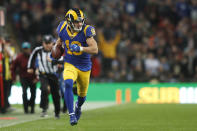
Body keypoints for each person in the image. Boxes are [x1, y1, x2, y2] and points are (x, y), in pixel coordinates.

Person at [54, 8, 98, 125]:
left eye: (81, 21)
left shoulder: (86, 30)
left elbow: (95, 49)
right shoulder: (62, 27)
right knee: (68, 83)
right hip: (70, 63)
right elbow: (59, 41)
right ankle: (71, 115)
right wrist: (55, 51)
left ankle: (78, 106)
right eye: (76, 22)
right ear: (68, 22)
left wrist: (81, 48)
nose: (79, 24)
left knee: (82, 97)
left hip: (84, 67)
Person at [27, 35, 60, 119]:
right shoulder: (38, 50)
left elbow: (62, 60)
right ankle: (44, 109)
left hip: (53, 74)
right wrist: (30, 67)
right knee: (44, 89)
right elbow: (32, 57)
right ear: (43, 43)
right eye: (46, 43)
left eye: (49, 43)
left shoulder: (57, 50)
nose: (48, 45)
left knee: (55, 93)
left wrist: (53, 61)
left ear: (52, 43)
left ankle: (57, 112)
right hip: (43, 74)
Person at [11, 42, 37, 114]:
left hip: (32, 78)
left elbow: (38, 67)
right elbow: (13, 67)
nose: (26, 50)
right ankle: (26, 109)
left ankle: (32, 108)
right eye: (25, 49)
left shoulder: (34, 56)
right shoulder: (19, 57)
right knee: (24, 93)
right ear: (23, 49)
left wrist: (37, 78)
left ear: (29, 48)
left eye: (27, 48)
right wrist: (14, 77)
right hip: (23, 78)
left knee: (33, 93)